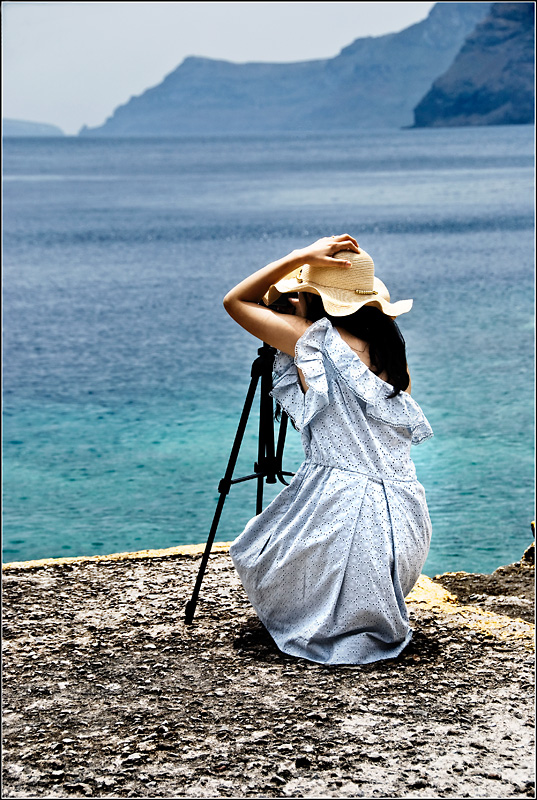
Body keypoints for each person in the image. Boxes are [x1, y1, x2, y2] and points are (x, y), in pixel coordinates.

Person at [223, 234, 433, 665]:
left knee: (261, 553)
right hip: (404, 524)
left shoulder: (310, 339)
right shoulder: (391, 352)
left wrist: (300, 257)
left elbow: (236, 301)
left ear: (311, 297)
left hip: (342, 516)